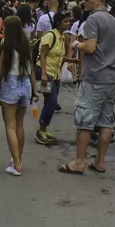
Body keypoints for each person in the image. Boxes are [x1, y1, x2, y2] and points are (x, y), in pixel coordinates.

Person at [58, 0, 115, 175]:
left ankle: (79, 161)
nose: (83, 2)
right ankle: (100, 161)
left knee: (84, 120)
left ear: (98, 0)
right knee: (106, 121)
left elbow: (90, 47)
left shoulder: (94, 18)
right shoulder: (112, 19)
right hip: (110, 76)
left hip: (95, 77)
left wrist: (76, 44)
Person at [0, 15, 37, 176]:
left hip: (10, 84)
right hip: (25, 83)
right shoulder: (26, 43)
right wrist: (34, 89)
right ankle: (18, 158)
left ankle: (17, 165)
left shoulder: (5, 43)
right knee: (20, 124)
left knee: (10, 126)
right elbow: (31, 68)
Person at [33, 12, 75, 145]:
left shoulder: (62, 37)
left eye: (69, 21)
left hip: (55, 74)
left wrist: (74, 60)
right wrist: (44, 74)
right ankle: (41, 130)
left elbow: (59, 57)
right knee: (51, 102)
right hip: (45, 72)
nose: (69, 23)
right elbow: (43, 55)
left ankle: (44, 129)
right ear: (58, 22)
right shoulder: (50, 36)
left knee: (51, 102)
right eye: (66, 21)